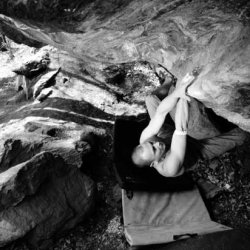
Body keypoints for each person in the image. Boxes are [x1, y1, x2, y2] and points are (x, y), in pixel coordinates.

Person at [131, 73, 248, 177]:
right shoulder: (169, 168)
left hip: (169, 134)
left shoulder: (145, 139)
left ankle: (169, 80)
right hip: (196, 148)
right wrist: (182, 94)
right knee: (241, 135)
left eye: (151, 143)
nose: (156, 143)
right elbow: (181, 128)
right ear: (154, 163)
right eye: (154, 149)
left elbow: (160, 113)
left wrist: (176, 93)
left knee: (150, 99)